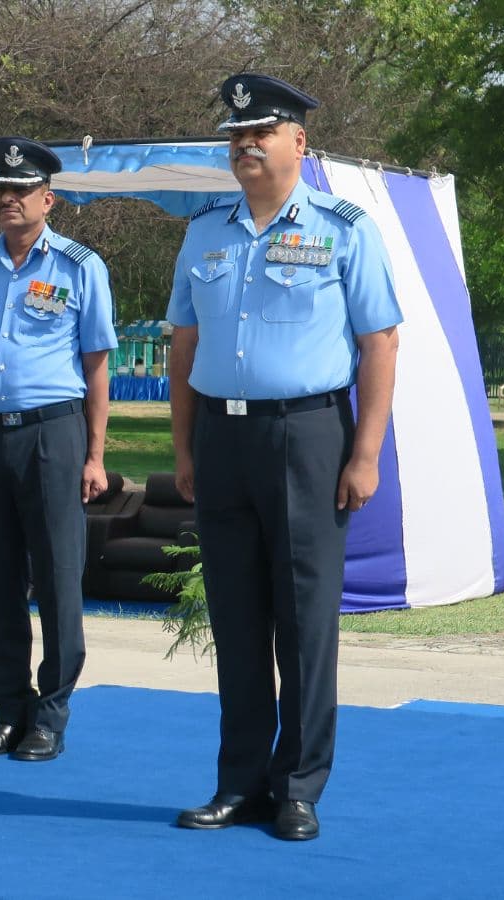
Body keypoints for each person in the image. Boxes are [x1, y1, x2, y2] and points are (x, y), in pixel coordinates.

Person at [166, 74, 402, 840]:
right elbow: (184, 346)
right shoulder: (204, 232)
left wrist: (364, 453)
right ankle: (239, 782)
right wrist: (184, 444)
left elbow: (380, 343)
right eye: (235, 136)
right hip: (223, 438)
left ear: (299, 142)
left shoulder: (344, 228)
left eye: (261, 132)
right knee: (235, 617)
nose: (245, 145)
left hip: (308, 436)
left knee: (303, 620)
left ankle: (298, 785)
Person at [0, 136, 117, 762]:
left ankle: (50, 714)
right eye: (0, 190)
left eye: (21, 190)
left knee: (56, 576)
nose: (8, 200)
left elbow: (97, 365)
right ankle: (8, 707)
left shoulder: (78, 267)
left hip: (54, 431)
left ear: (48, 199)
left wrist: (94, 455)